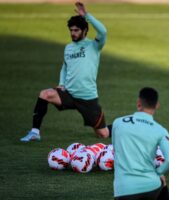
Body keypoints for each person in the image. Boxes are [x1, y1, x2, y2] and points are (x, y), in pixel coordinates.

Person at [20, 1, 110, 142]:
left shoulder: (94, 45)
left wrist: (86, 15)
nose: (72, 33)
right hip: (68, 94)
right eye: (71, 30)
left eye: (76, 30)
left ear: (84, 31)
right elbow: (65, 66)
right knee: (45, 94)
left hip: (87, 98)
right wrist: (61, 83)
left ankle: (121, 127)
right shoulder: (68, 47)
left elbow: (103, 31)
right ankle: (34, 132)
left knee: (102, 134)